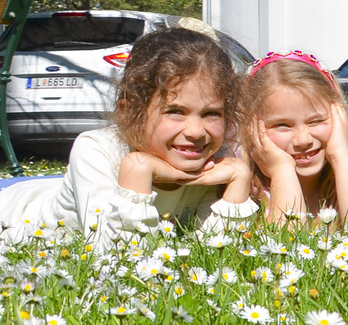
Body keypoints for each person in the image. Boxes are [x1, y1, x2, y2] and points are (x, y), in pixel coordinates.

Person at [0, 28, 258, 241]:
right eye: (175, 111)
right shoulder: (96, 150)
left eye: (211, 114)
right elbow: (118, 257)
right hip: (13, 216)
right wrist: (138, 172)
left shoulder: (217, 162)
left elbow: (216, 252)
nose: (195, 132)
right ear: (132, 112)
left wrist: (239, 179)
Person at [242, 51, 348, 232]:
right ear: (250, 128)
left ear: (339, 116)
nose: (303, 140)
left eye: (316, 121)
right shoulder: (246, 188)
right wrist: (282, 171)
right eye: (282, 125)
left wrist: (340, 156)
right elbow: (284, 250)